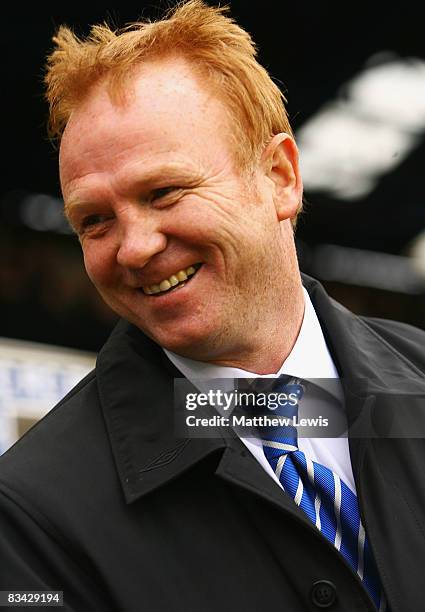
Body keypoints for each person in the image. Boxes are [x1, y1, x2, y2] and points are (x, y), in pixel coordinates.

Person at [0, 1, 424, 610]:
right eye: (94, 220)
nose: (135, 248)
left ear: (280, 177)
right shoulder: (30, 518)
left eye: (164, 191)